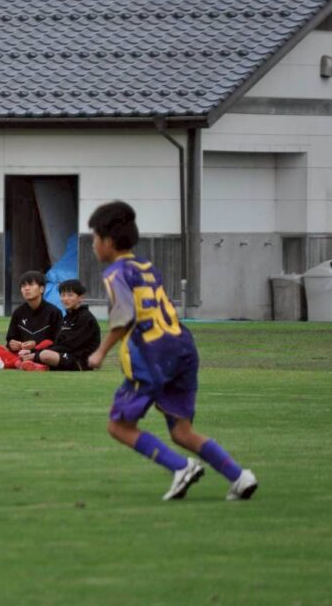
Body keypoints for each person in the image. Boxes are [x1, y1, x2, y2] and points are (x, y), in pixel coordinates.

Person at [86, 200, 257, 501]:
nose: (93, 245)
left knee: (118, 426)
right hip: (183, 347)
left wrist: (100, 352)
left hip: (152, 354)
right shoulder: (147, 267)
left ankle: (180, 467)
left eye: (94, 238)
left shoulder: (115, 273)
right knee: (182, 431)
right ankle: (240, 476)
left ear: (108, 242)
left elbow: (124, 316)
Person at [0, 270, 63, 369]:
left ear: (41, 289)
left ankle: (17, 363)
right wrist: (13, 344)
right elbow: (10, 339)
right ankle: (21, 363)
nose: (27, 289)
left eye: (31, 285)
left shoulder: (54, 312)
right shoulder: (18, 312)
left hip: (41, 353)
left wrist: (35, 345)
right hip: (20, 354)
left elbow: (56, 341)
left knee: (47, 343)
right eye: (23, 286)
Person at [17, 279, 101, 372]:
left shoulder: (85, 318)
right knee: (45, 345)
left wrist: (35, 355)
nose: (65, 299)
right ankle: (40, 366)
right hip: (66, 355)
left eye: (70, 295)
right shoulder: (67, 318)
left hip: (81, 361)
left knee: (45, 355)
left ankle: (36, 363)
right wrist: (32, 351)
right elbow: (58, 343)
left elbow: (69, 345)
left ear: (80, 298)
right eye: (63, 295)